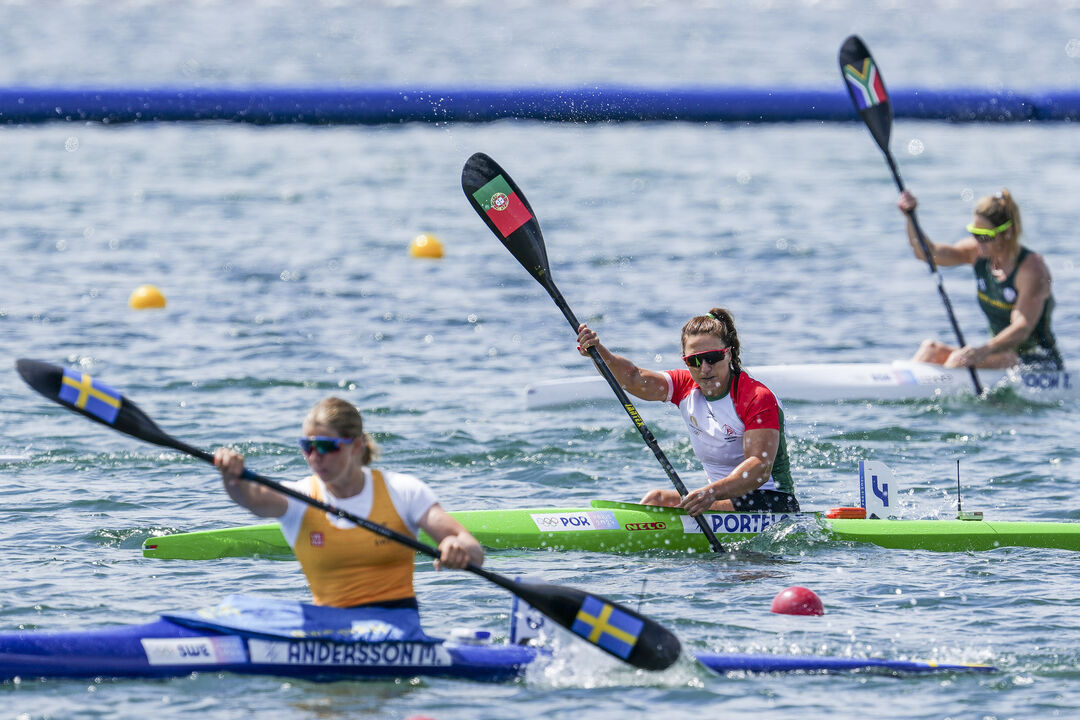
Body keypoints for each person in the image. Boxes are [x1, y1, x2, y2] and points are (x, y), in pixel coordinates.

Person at [214, 396, 483, 610]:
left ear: (356, 446)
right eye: (307, 446)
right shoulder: (300, 497)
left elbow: (474, 551)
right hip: (329, 633)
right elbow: (252, 500)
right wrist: (232, 478)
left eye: (325, 446)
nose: (314, 457)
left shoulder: (403, 491)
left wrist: (455, 547)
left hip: (396, 632)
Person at [575, 308, 798, 516]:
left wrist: (710, 493)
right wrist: (598, 351)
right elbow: (632, 378)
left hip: (772, 502)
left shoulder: (756, 397)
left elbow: (759, 466)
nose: (705, 368)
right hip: (720, 500)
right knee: (656, 499)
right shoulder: (684, 387)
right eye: (694, 361)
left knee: (658, 502)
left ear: (728, 354)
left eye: (713, 358)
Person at [898, 189, 1062, 370]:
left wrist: (983, 351)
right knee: (930, 349)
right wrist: (910, 216)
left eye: (984, 236)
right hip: (998, 354)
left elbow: (1022, 328)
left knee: (957, 362)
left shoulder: (1031, 269)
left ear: (1007, 232)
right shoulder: (977, 252)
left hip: (1037, 361)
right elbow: (927, 254)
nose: (977, 242)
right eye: (974, 233)